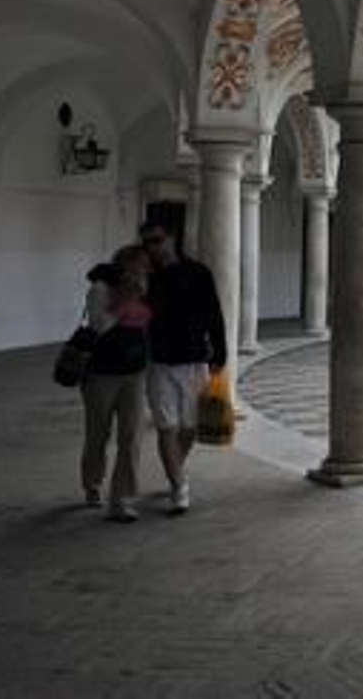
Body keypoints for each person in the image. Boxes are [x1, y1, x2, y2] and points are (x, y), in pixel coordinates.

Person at [139, 219, 226, 515]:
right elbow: (134, 314)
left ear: (172, 237)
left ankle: (175, 468)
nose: (153, 247)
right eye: (147, 242)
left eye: (157, 239)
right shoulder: (147, 276)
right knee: (167, 427)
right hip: (159, 361)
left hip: (194, 360)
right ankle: (179, 486)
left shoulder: (198, 272)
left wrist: (220, 353)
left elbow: (214, 313)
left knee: (189, 427)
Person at [76, 245, 151, 522]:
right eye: (142, 264)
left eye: (148, 265)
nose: (147, 269)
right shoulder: (101, 287)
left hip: (135, 372)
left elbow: (147, 327)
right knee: (98, 434)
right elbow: (98, 326)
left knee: (131, 437)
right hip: (101, 373)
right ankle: (92, 485)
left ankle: (123, 500)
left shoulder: (146, 289)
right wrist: (124, 302)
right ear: (126, 264)